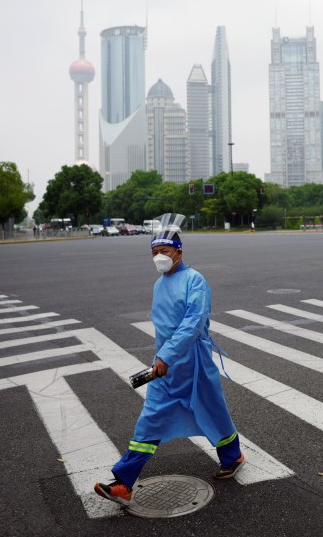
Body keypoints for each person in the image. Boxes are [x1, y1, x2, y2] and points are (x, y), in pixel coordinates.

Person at [94, 216, 244, 508]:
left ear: (179, 251)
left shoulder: (195, 281)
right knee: (150, 419)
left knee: (213, 412)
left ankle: (233, 456)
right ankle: (124, 483)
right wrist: (161, 358)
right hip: (164, 368)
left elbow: (192, 323)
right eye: (154, 253)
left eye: (164, 251)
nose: (159, 258)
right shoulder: (159, 284)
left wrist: (166, 356)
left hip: (193, 365)